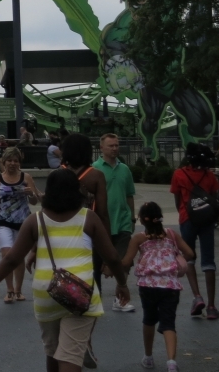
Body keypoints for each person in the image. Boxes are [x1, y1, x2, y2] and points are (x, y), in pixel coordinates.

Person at [0, 169, 129, 372]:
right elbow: (113, 257)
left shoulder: (36, 220)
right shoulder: (88, 218)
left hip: (47, 293)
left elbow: (11, 260)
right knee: (70, 357)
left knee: (53, 352)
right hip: (80, 293)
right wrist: (122, 283)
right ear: (76, 191)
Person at [121, 201, 195, 372]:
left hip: (147, 285)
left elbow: (126, 262)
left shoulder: (139, 238)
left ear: (142, 220)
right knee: (169, 323)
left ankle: (148, 357)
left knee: (149, 319)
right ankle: (171, 362)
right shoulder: (171, 234)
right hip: (170, 285)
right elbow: (190, 253)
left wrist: (111, 263)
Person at [169, 141, 219, 319]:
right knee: (208, 261)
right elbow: (214, 199)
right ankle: (212, 306)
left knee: (189, 258)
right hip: (206, 221)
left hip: (187, 219)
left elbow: (177, 199)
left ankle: (197, 296)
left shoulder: (179, 174)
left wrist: (184, 213)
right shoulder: (209, 176)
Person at [0, 147, 39, 303]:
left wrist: (30, 193)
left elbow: (35, 201)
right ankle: (9, 289)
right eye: (9, 160)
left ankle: (18, 290)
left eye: (15, 161)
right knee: (7, 254)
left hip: (22, 221)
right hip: (3, 220)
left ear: (19, 162)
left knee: (19, 256)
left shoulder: (26, 177)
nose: (12, 163)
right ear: (3, 162)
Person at [92, 132, 137, 309]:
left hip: (123, 222)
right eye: (111, 145)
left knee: (123, 262)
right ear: (101, 147)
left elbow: (129, 195)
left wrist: (132, 218)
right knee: (95, 264)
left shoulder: (125, 169)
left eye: (117, 145)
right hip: (101, 224)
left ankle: (121, 299)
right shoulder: (94, 169)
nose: (115, 148)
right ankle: (95, 299)